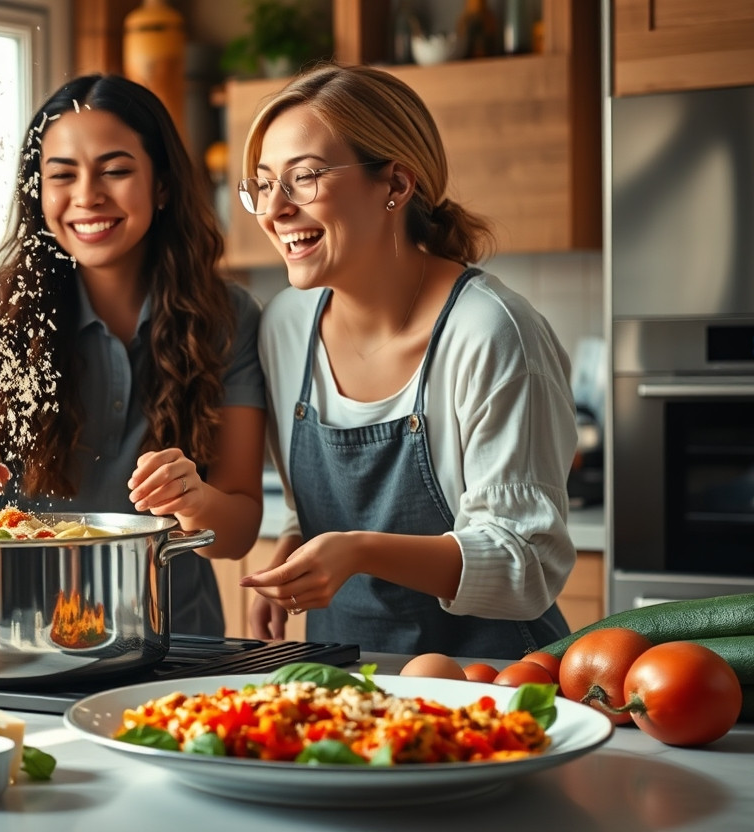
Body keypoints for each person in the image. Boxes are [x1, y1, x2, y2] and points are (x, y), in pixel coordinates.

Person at [237, 64, 577, 658]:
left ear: (395, 184)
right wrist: (293, 551)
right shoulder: (286, 327)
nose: (274, 210)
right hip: (345, 683)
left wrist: (360, 552)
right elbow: (313, 510)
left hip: (494, 685)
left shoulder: (494, 332)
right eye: (264, 185)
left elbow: (527, 565)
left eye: (305, 177)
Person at [0, 74, 266, 637]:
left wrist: (196, 499)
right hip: (14, 635)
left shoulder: (228, 317)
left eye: (116, 170)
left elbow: (240, 530)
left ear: (161, 185)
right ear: (39, 190)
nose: (88, 195)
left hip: (171, 639)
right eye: (62, 175)